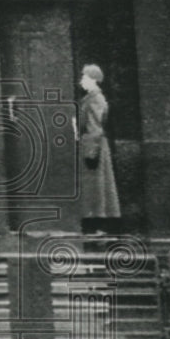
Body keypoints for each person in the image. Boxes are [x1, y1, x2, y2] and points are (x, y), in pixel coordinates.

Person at [76, 64, 120, 234]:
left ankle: (97, 224)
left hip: (93, 145)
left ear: (93, 80)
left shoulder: (95, 99)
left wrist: (90, 149)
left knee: (96, 185)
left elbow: (95, 126)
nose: (81, 81)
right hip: (93, 143)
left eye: (84, 78)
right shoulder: (92, 98)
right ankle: (97, 223)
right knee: (96, 185)